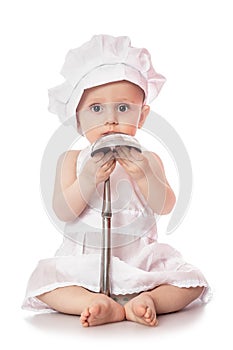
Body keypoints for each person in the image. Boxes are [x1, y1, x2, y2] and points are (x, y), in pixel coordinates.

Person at [22, 35, 211, 327]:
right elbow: (63, 211)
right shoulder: (71, 160)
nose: (110, 119)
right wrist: (87, 180)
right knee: (45, 280)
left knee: (192, 282)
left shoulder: (149, 159)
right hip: (84, 265)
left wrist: (144, 175)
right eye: (96, 109)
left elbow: (165, 205)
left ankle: (145, 300)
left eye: (123, 108)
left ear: (142, 115)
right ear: (77, 117)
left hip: (139, 262)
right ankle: (95, 302)